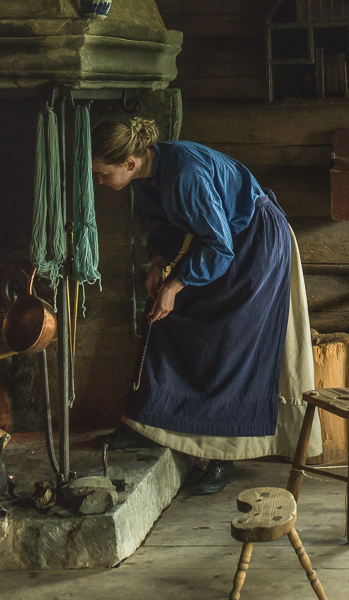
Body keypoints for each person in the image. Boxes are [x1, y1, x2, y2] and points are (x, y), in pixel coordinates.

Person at [90, 117, 320, 495]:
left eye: (101, 174)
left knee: (228, 338)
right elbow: (166, 226)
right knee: (163, 318)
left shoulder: (184, 176)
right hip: (224, 242)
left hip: (253, 242)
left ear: (129, 163)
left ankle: (221, 456)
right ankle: (149, 426)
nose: (99, 182)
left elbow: (220, 245)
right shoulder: (147, 175)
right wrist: (157, 265)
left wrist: (176, 285)